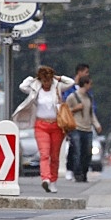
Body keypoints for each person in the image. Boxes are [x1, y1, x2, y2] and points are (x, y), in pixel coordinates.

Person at [12, 65, 75, 193]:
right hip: (41, 125)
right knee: (44, 153)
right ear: (40, 79)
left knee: (55, 156)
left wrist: (58, 77)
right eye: (44, 80)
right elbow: (22, 86)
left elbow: (71, 82)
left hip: (57, 125)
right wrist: (32, 79)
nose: (47, 83)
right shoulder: (36, 88)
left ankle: (53, 181)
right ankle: (45, 178)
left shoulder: (57, 86)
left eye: (49, 80)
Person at [66, 75, 102, 182]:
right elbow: (66, 111)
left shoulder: (89, 97)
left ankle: (84, 171)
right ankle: (77, 173)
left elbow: (91, 114)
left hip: (87, 129)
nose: (90, 86)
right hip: (76, 127)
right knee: (77, 151)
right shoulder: (73, 97)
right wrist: (75, 108)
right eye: (89, 84)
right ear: (85, 84)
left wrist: (96, 124)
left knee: (87, 152)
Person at [63, 63, 90, 179]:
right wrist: (75, 108)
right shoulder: (70, 88)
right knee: (75, 147)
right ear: (80, 72)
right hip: (73, 123)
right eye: (86, 72)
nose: (87, 75)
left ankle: (80, 170)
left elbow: (91, 105)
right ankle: (72, 169)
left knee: (83, 149)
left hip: (85, 123)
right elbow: (65, 104)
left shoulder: (87, 89)